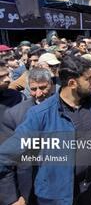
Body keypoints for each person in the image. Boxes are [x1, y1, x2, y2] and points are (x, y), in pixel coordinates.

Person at [0, 56, 91, 205]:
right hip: (59, 195)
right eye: (88, 79)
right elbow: (5, 156)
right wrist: (11, 198)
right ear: (72, 83)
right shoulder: (41, 114)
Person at [0, 68, 54, 204]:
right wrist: (11, 198)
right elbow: (6, 160)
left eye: (43, 88)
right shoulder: (14, 115)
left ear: (51, 85)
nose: (38, 94)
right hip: (31, 188)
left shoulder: (66, 106)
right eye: (33, 89)